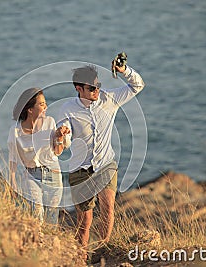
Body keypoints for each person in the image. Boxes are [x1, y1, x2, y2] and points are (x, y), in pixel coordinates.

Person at [57, 57, 145, 247]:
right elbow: (66, 139)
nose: (96, 90)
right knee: (85, 221)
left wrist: (124, 70)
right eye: (91, 88)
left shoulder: (109, 99)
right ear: (79, 89)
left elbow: (137, 86)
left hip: (106, 164)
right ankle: (81, 255)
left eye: (97, 86)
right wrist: (63, 134)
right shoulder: (67, 108)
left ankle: (103, 249)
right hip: (80, 169)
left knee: (108, 208)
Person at [7, 88, 69, 224]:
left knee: (52, 218)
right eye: (41, 104)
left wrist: (59, 137)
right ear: (30, 109)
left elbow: (57, 152)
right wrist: (12, 182)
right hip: (31, 176)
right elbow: (13, 159)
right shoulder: (15, 131)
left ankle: (50, 245)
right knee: (37, 213)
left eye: (45, 103)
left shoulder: (50, 122)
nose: (46, 107)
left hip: (53, 173)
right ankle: (36, 241)